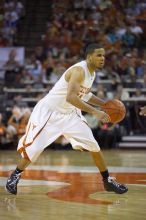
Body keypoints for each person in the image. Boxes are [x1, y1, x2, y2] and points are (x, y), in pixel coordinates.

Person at [5, 44, 128, 195]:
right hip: (50, 112)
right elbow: (71, 97)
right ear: (89, 57)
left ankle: (107, 181)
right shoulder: (78, 71)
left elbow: (85, 95)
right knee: (34, 148)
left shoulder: (92, 73)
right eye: (98, 55)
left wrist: (106, 105)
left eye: (103, 55)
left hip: (70, 114)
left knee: (94, 146)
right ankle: (14, 176)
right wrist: (96, 112)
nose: (103, 58)